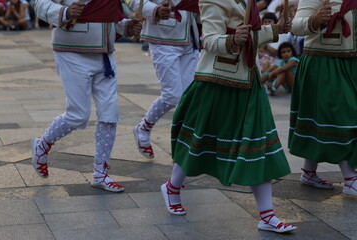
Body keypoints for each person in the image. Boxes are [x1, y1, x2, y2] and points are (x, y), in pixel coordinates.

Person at [160, 0, 297, 233]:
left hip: (249, 82)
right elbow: (208, 40)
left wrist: (276, 29)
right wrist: (232, 39)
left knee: (257, 146)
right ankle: (172, 187)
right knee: (199, 142)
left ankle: (267, 215)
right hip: (217, 83)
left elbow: (250, 37)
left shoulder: (247, 1)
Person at [31, 0, 142, 192]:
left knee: (110, 113)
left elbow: (111, 18)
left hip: (105, 55)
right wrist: (65, 12)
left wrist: (126, 26)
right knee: (78, 115)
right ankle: (42, 144)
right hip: (72, 53)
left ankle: (100, 173)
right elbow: (40, 4)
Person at [289, 0, 357, 195]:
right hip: (325, 63)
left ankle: (309, 172)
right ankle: (350, 178)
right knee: (342, 118)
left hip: (350, 63)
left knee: (329, 120)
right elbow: (296, 26)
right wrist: (315, 20)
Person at [129, 0, 200, 159]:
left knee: (191, 97)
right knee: (172, 95)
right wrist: (154, 9)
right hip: (162, 37)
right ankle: (144, 127)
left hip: (191, 38)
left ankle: (187, 144)